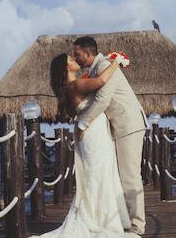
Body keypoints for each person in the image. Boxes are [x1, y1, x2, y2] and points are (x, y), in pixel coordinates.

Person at [29, 52, 139, 237]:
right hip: (94, 131)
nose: (74, 60)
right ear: (66, 68)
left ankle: (100, 216)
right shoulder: (78, 84)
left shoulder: (71, 86)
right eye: (70, 60)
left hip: (91, 132)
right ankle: (102, 219)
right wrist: (116, 62)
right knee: (100, 173)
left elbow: (93, 81)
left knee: (96, 173)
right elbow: (102, 81)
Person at [73, 36, 148, 235]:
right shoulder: (96, 69)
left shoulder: (105, 65)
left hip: (128, 124)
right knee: (123, 175)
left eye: (77, 54)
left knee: (130, 176)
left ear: (88, 53)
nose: (76, 58)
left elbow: (103, 99)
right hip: (120, 126)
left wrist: (82, 124)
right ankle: (125, 219)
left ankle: (138, 226)